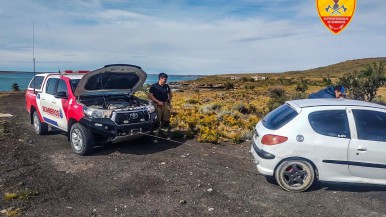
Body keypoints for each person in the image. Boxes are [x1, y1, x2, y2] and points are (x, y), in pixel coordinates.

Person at [148, 73, 173, 141]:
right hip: (157, 105)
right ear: (160, 78)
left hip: (165, 104)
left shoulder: (166, 86)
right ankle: (155, 136)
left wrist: (169, 101)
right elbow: (150, 95)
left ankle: (164, 133)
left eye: (166, 79)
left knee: (166, 120)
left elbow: (170, 94)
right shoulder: (154, 86)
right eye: (164, 79)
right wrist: (158, 102)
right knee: (157, 120)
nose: (165, 80)